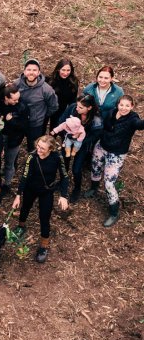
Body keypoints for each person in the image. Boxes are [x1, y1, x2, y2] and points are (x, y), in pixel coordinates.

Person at [84, 96, 144, 227]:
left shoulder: (133, 119)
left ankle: (114, 212)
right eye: (121, 105)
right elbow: (104, 126)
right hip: (102, 146)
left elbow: (140, 125)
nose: (124, 108)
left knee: (109, 183)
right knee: (95, 168)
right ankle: (93, 188)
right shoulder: (112, 112)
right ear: (118, 104)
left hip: (116, 153)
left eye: (127, 106)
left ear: (132, 106)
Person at [13, 135, 69, 262]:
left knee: (44, 217)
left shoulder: (57, 157)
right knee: (25, 207)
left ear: (50, 149)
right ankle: (21, 226)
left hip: (46, 191)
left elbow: (64, 177)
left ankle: (44, 245)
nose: (38, 149)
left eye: (42, 148)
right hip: (31, 188)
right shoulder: (32, 157)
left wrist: (63, 195)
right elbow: (24, 176)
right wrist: (18, 195)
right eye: (38, 146)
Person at [52, 94, 103, 203]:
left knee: (76, 169)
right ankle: (62, 181)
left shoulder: (96, 119)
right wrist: (67, 135)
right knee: (64, 163)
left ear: (89, 108)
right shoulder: (72, 108)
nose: (77, 108)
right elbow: (61, 120)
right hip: (67, 140)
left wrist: (80, 140)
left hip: (82, 145)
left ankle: (77, 188)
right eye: (77, 105)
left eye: (81, 107)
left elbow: (95, 135)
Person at [13, 59, 58, 150]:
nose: (31, 72)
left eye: (34, 70)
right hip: (18, 120)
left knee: (33, 147)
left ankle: (31, 158)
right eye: (29, 70)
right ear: (24, 71)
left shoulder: (46, 89)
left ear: (38, 72)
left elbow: (53, 106)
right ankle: (13, 159)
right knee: (14, 144)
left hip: (35, 124)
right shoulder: (16, 84)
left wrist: (41, 115)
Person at [0, 86, 30, 200]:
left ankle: (7, 184)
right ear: (6, 98)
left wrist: (11, 121)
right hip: (0, 137)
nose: (17, 101)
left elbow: (24, 126)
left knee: (9, 162)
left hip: (14, 139)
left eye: (18, 98)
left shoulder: (22, 107)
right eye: (14, 99)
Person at [46, 59, 79, 130]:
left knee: (54, 129)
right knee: (42, 128)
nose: (65, 73)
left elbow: (73, 100)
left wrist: (71, 113)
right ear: (58, 69)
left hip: (60, 109)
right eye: (63, 70)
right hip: (47, 107)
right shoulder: (49, 80)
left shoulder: (73, 82)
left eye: (68, 70)